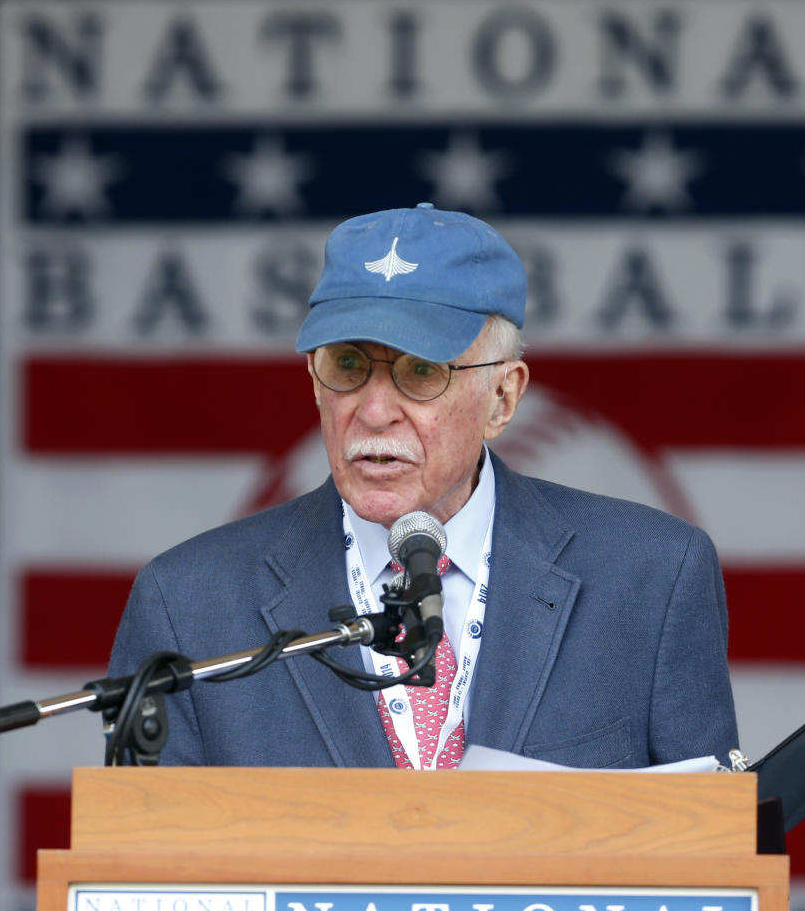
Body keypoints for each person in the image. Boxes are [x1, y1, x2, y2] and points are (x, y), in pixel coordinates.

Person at [108, 203, 738, 768]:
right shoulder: (188, 603)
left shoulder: (652, 576)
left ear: (502, 396)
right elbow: (146, 879)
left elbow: (715, 864)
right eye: (348, 365)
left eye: (420, 371)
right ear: (313, 380)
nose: (374, 411)